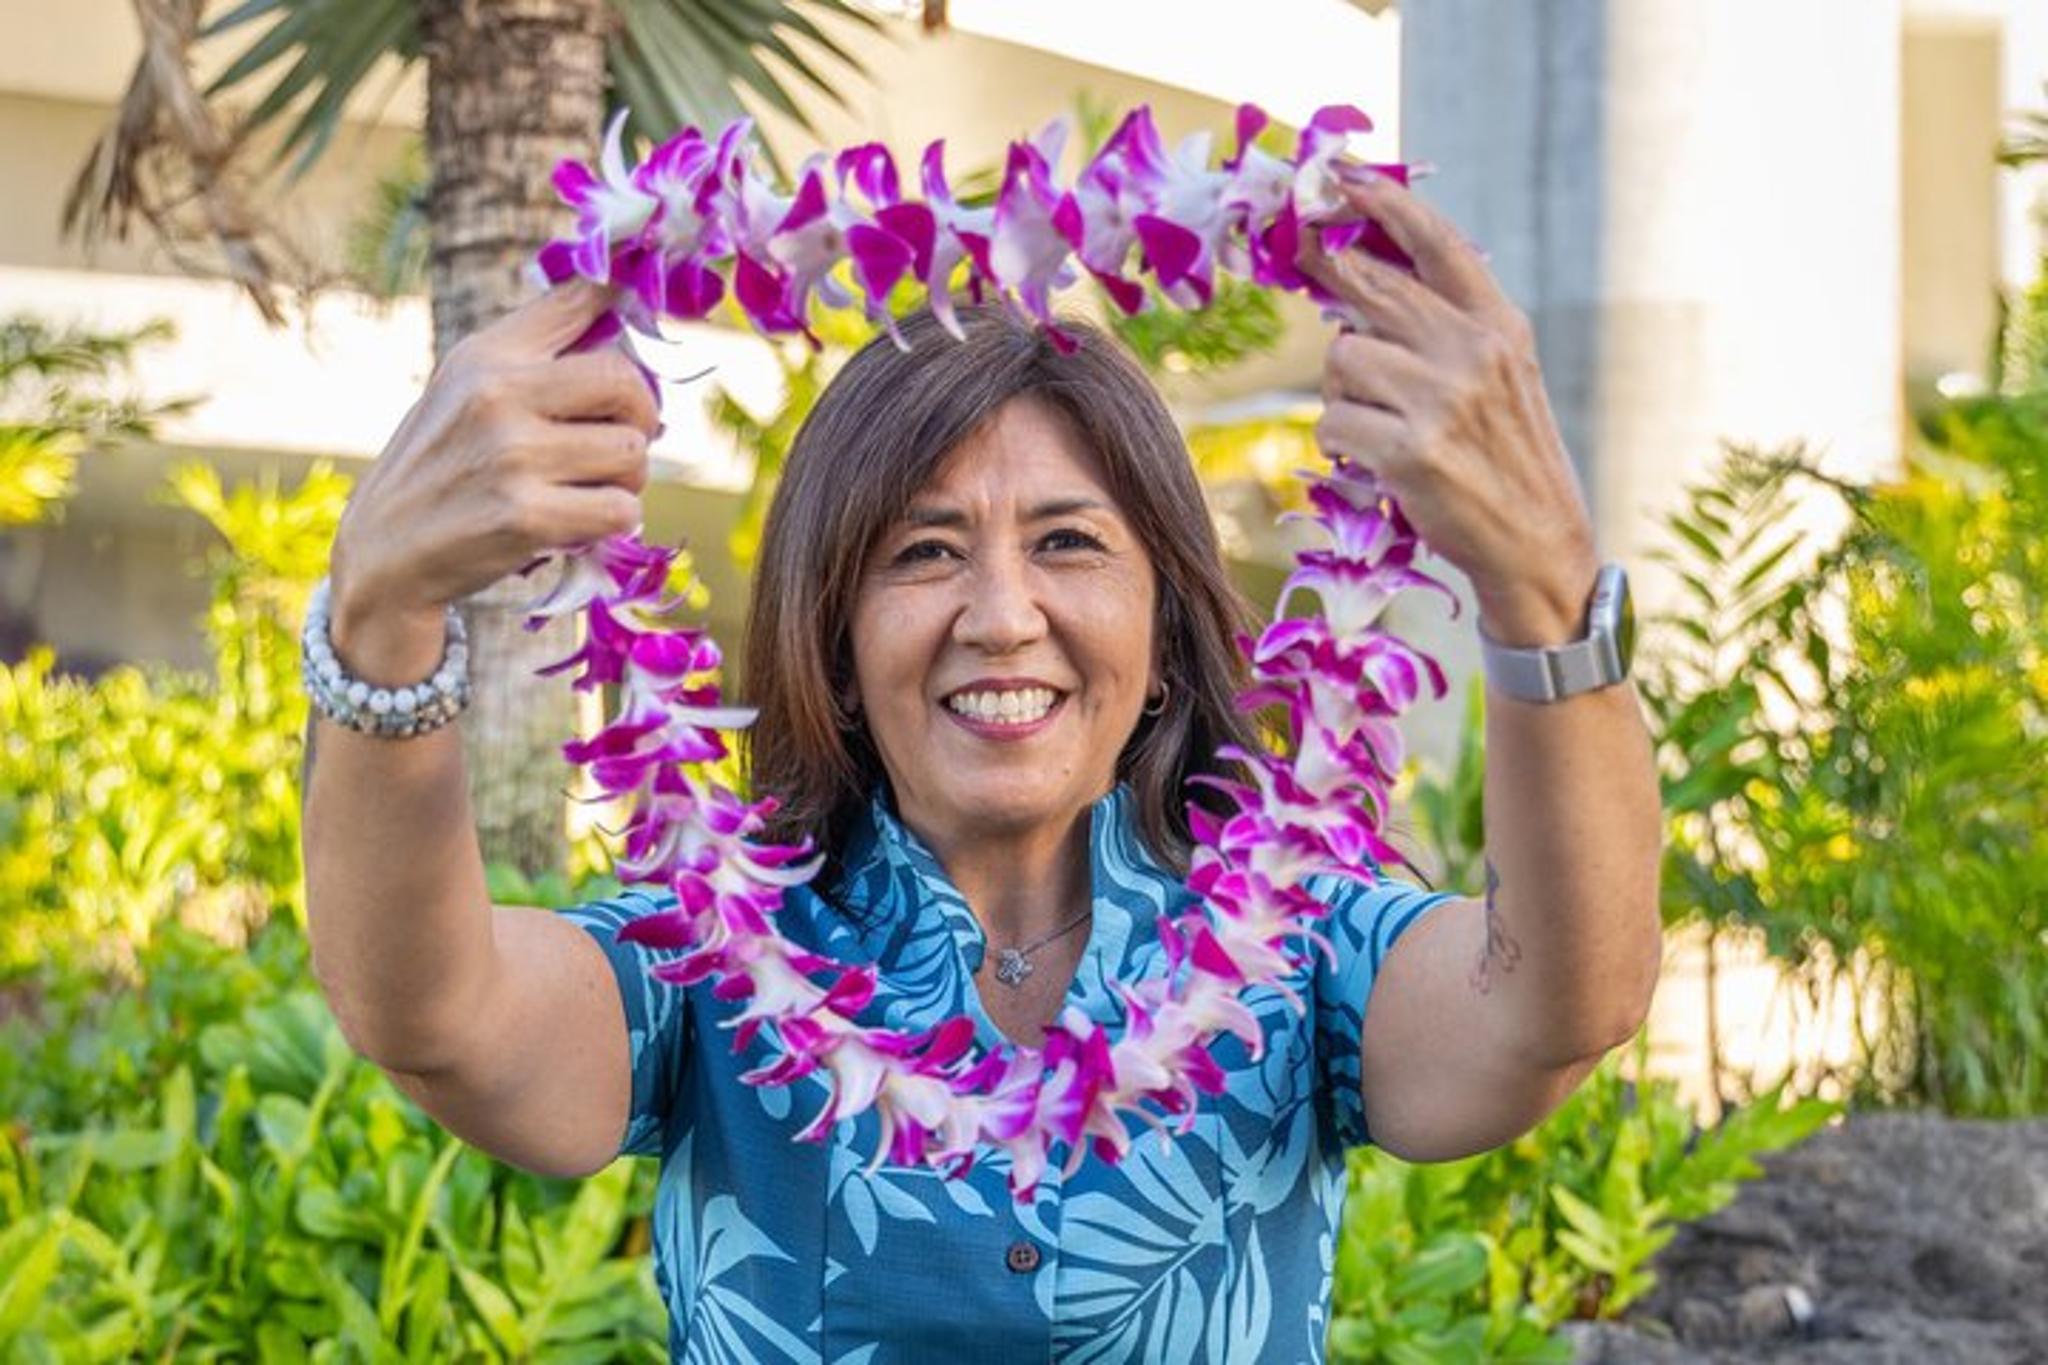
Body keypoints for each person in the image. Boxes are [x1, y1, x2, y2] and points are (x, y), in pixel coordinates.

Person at [302, 174, 1663, 1362]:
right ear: (834, 636)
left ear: (1164, 625)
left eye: (1069, 542)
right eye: (925, 551)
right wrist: (379, 609)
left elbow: (1554, 1005)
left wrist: (1539, 584)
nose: (1003, 614)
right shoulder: (712, 953)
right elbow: (439, 1015)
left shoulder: (1299, 937)